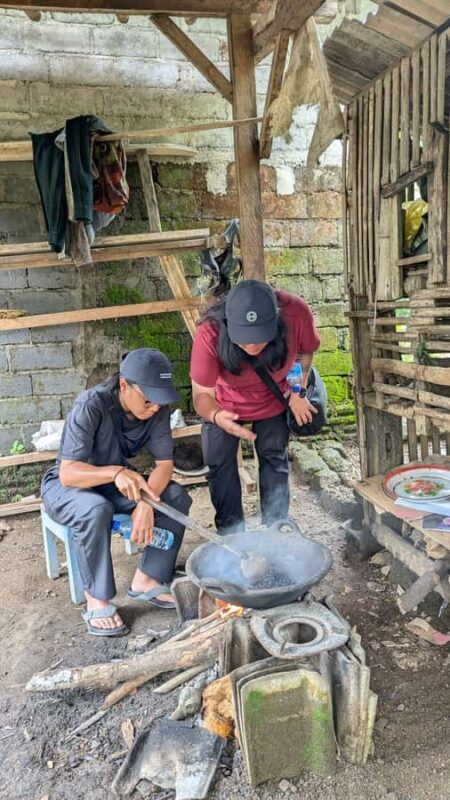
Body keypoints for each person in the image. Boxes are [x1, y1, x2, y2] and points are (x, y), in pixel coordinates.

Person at [41, 348, 192, 637]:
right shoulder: (91, 404)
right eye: (148, 399)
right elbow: (68, 472)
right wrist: (115, 472)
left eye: (159, 400)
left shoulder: (156, 408)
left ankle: (147, 579)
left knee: (173, 497)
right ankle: (97, 598)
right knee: (96, 508)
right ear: (124, 385)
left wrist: (145, 504)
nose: (155, 407)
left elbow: (165, 466)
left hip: (114, 484)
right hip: (68, 486)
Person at [190, 279, 320, 534]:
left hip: (273, 398)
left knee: (273, 456)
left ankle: (276, 524)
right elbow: (201, 394)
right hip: (223, 403)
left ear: (276, 321)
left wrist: (297, 391)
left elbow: (305, 352)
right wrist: (216, 416)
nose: (251, 347)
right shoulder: (210, 331)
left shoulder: (296, 312)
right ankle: (231, 534)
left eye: (259, 339)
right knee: (220, 465)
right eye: (243, 340)